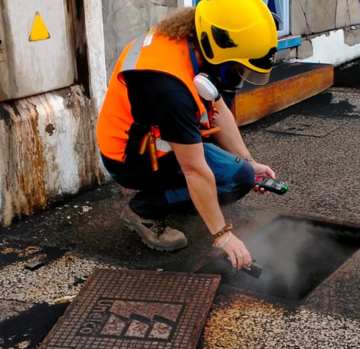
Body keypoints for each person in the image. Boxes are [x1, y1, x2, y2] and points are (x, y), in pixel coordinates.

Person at [96, 0, 278, 270]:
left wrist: (249, 161)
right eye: (237, 70)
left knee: (243, 172)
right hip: (131, 159)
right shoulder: (169, 87)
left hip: (150, 140)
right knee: (235, 181)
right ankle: (143, 210)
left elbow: (217, 108)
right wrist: (222, 235)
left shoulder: (188, 42)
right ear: (217, 46)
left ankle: (184, 197)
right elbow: (193, 168)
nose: (239, 76)